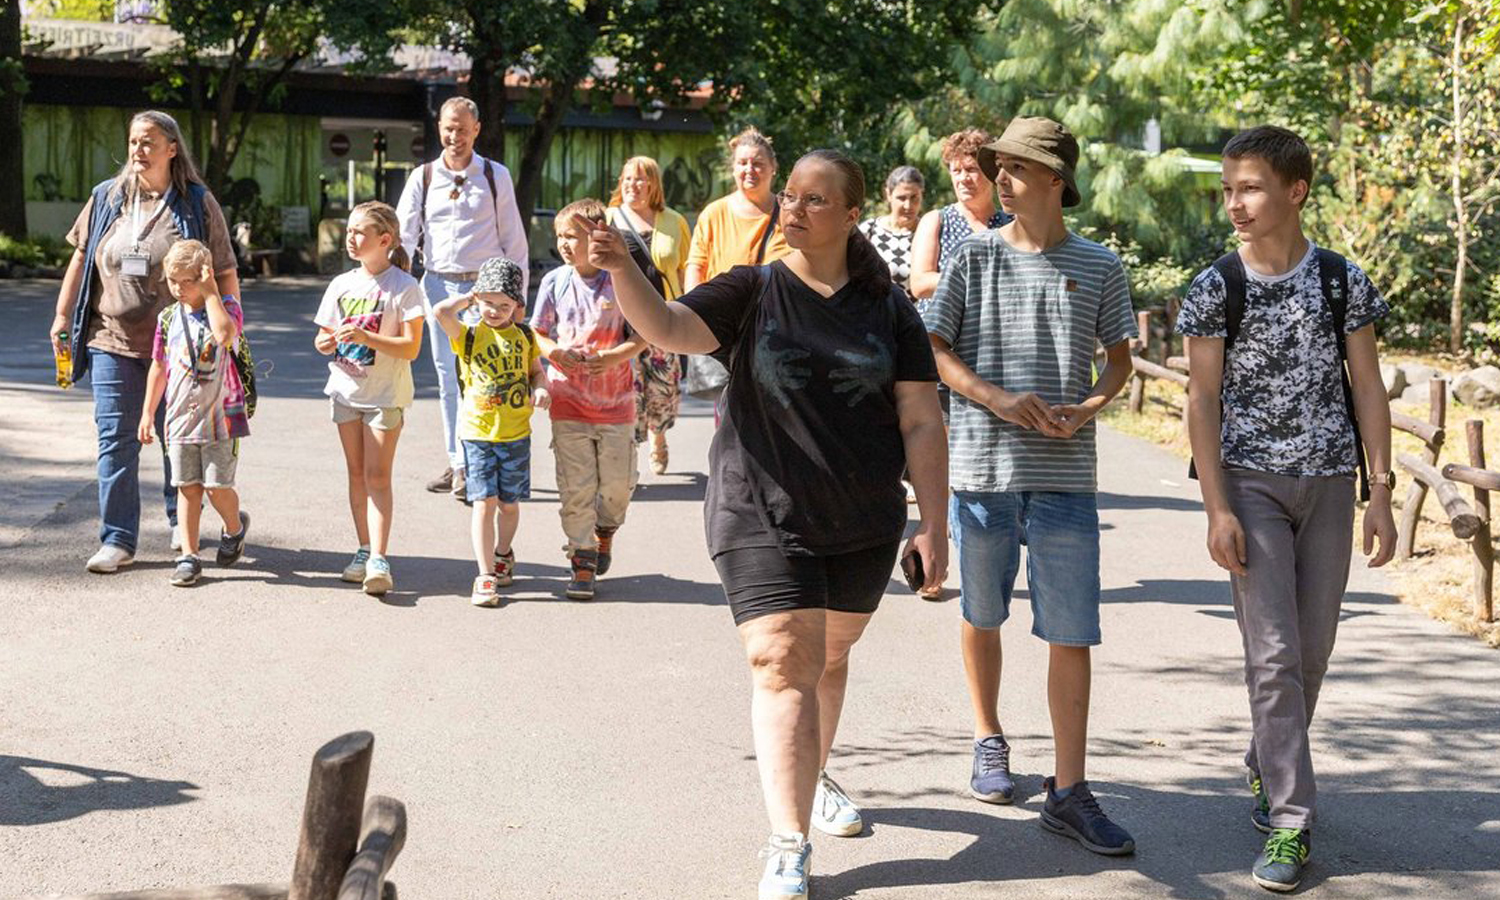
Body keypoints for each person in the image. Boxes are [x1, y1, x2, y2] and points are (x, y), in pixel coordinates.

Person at [575, 149, 948, 900]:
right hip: (758, 505)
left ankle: (813, 771)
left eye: (816, 200)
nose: (795, 209)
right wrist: (623, 270)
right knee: (782, 661)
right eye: (791, 197)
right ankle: (788, 841)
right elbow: (671, 328)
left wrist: (932, 523)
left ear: (850, 214)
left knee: (826, 659)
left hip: (862, 517)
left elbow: (920, 417)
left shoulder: (888, 308)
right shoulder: (755, 288)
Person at [1176, 125, 1395, 894]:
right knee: (1271, 655)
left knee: (1310, 656)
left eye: (1251, 188)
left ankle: (1267, 760)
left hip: (1332, 482)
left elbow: (1367, 387)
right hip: (1250, 485)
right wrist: (1216, 508)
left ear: (1295, 191)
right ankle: (1292, 822)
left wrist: (1383, 491)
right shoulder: (1214, 287)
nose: (1234, 203)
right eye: (1229, 189)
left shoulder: (1342, 281)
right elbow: (1201, 399)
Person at [922, 117, 1139, 856]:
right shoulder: (974, 257)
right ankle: (988, 738)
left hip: (1066, 478)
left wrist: (1093, 405)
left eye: (1013, 167)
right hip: (982, 471)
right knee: (983, 614)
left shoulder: (1101, 265)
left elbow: (1118, 362)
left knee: (1071, 630)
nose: (998, 176)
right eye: (996, 165)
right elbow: (934, 348)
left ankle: (1069, 789)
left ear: (1055, 180)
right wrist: (994, 397)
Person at [49, 109, 240, 574]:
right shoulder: (107, 197)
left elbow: (224, 268)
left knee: (178, 439)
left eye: (149, 141)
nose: (138, 149)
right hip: (109, 339)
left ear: (172, 149)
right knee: (115, 440)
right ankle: (118, 539)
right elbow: (80, 256)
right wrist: (60, 313)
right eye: (134, 141)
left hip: (181, 348)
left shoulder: (195, 202)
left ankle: (181, 524)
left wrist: (230, 330)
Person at [397, 96, 530, 501]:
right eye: (448, 128)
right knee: (448, 378)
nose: (455, 136)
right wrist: (390, 291)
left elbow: (514, 240)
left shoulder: (495, 176)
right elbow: (403, 237)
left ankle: (483, 460)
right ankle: (460, 463)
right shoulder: (422, 177)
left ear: (476, 129)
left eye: (462, 129)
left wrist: (517, 299)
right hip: (438, 287)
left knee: (486, 377)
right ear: (439, 128)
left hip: (485, 293)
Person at [531, 198, 646, 601]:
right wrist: (554, 352)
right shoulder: (554, 282)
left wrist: (614, 357)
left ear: (597, 238)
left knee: (616, 488)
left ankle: (604, 531)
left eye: (573, 236)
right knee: (575, 488)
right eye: (560, 236)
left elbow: (644, 334)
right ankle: (581, 561)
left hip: (616, 404)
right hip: (568, 402)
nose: (565, 244)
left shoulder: (622, 280)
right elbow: (537, 333)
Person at [314, 201, 427, 596]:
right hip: (345, 393)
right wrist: (327, 341)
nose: (351, 237)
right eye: (349, 230)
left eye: (360, 232)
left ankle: (380, 557)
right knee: (356, 474)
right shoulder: (341, 284)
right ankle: (363, 548)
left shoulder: (404, 286)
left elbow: (411, 348)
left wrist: (366, 338)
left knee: (378, 476)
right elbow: (322, 339)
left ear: (385, 239)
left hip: (385, 396)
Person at [433, 257, 549, 607]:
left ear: (517, 306)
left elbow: (536, 373)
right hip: (478, 434)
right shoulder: (468, 335)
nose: (495, 311)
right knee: (483, 503)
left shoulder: (525, 336)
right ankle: (485, 574)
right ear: (478, 299)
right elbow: (440, 312)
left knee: (509, 506)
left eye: (504, 305)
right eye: (489, 303)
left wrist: (541, 388)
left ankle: (503, 554)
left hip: (515, 435)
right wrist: (470, 298)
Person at [138, 239, 250, 587]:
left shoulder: (227, 306)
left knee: (217, 487)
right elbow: (159, 366)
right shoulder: (168, 317)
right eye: (173, 281)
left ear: (205, 277)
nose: (179, 289)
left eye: (187, 281)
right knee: (187, 487)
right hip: (180, 418)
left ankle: (234, 527)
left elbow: (224, 334)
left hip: (220, 417)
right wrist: (147, 412)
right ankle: (188, 555)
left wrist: (213, 292)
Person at [681, 127, 792, 401]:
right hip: (725, 330)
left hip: (778, 332)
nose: (749, 169)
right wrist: (696, 315)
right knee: (731, 414)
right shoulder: (714, 213)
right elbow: (696, 265)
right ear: (733, 168)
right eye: (742, 163)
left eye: (758, 163)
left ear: (773, 168)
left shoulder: (790, 214)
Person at [608, 156, 693, 474]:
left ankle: (658, 438)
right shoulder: (609, 218)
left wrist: (689, 315)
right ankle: (628, 457)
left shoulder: (674, 221)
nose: (634, 184)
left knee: (663, 390)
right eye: (628, 178)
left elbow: (685, 270)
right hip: (621, 322)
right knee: (626, 391)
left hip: (665, 319)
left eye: (642, 179)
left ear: (654, 185)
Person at [909, 128, 1011, 302]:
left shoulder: (1011, 224)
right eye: (956, 171)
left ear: (991, 173)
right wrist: (981, 280)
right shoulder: (936, 221)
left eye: (971, 169)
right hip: (943, 327)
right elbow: (920, 284)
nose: (963, 178)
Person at [858, 166, 925, 301]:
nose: (908, 206)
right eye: (901, 198)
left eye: (914, 198)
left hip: (917, 319)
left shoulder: (929, 232)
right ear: (888, 194)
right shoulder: (869, 231)